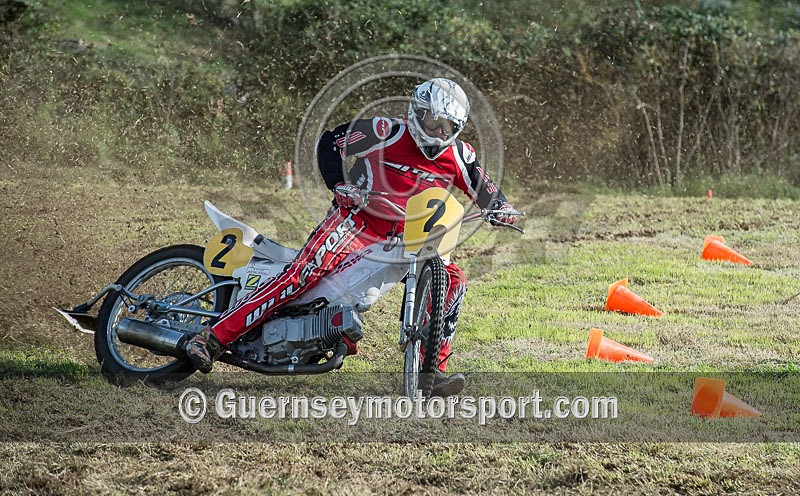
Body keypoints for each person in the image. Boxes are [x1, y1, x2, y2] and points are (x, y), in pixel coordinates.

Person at [185, 78, 518, 396]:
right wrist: (340, 184)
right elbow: (330, 142)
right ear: (416, 112)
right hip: (355, 221)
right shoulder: (383, 131)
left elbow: (483, 185)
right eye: (432, 121)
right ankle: (212, 338)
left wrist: (501, 208)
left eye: (447, 126)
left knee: (453, 280)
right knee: (303, 273)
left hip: (407, 236)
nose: (438, 132)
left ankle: (430, 370)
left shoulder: (460, 154)